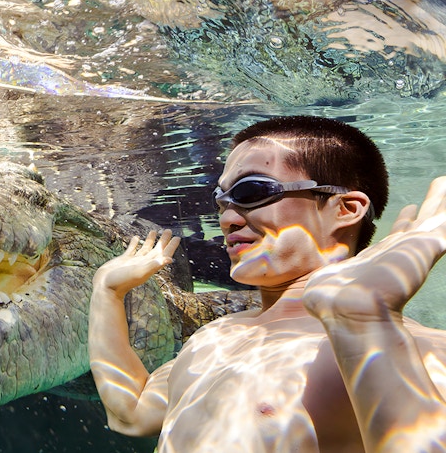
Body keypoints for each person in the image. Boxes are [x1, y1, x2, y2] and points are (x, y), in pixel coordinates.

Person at [88, 115, 446, 453]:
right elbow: (131, 414)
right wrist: (107, 291)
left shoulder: (417, 348)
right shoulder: (216, 336)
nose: (227, 218)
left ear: (345, 209)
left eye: (251, 192)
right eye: (221, 199)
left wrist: (364, 320)